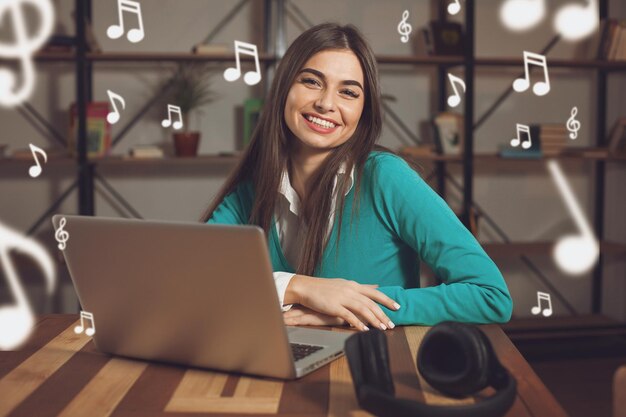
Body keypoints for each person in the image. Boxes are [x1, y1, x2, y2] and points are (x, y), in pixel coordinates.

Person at [201, 23, 513, 331]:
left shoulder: (386, 177)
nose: (326, 103)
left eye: (348, 92)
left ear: (364, 110)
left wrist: (354, 307)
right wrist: (299, 287)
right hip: (279, 363)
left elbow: (490, 296)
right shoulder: (251, 191)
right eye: (311, 81)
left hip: (373, 369)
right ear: (284, 89)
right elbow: (195, 277)